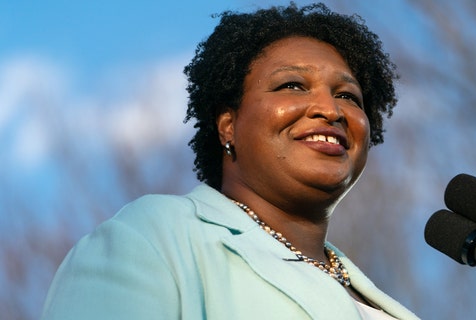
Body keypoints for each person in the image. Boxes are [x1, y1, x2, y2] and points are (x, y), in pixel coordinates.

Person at [41, 2, 419, 319]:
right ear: (228, 125)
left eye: (348, 96)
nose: (329, 109)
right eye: (292, 85)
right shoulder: (155, 237)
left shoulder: (381, 301)